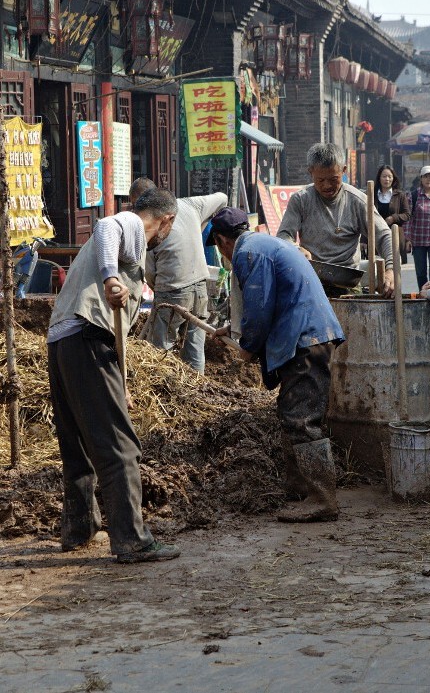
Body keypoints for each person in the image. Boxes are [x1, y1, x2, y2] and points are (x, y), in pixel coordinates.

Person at [47, 188, 181, 564]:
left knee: (77, 442)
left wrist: (120, 384)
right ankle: (132, 540)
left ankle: (79, 528)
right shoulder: (131, 227)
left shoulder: (128, 252)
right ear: (166, 220)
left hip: (64, 342)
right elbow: (106, 225)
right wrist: (109, 278)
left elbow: (117, 332)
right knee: (120, 446)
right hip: (86, 338)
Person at [209, 207, 345, 523]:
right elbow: (269, 301)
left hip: (305, 338)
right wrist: (234, 330)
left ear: (221, 241)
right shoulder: (263, 244)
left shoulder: (249, 253)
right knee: (291, 411)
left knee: (301, 418)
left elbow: (259, 309)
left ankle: (322, 499)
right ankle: (299, 490)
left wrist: (247, 346)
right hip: (308, 334)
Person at [130, 178, 228, 374]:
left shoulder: (147, 223)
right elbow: (222, 198)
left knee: (161, 350)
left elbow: (149, 273)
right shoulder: (190, 205)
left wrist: (159, 293)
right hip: (200, 288)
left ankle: (162, 388)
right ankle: (197, 387)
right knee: (195, 348)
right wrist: (199, 225)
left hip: (171, 291)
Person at [277, 143, 394, 297]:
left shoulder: (358, 201)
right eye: (320, 180)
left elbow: (384, 235)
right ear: (310, 172)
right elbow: (283, 236)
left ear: (343, 170)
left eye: (333, 179)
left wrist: (391, 269)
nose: (327, 186)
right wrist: (296, 249)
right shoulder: (301, 200)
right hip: (311, 281)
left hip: (348, 284)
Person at [373, 164, 410, 264]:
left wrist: (394, 218)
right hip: (377, 236)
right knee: (378, 267)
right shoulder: (372, 194)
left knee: (395, 267)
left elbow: (407, 215)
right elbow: (365, 217)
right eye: (384, 176)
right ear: (379, 178)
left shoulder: (400, 195)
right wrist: (363, 241)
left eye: (390, 176)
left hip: (395, 236)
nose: (387, 179)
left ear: (393, 178)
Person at [404, 166, 430, 290]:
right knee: (421, 273)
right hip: (418, 241)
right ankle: (423, 296)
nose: (428, 179)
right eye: (426, 176)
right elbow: (408, 219)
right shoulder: (414, 196)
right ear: (421, 178)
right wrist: (408, 239)